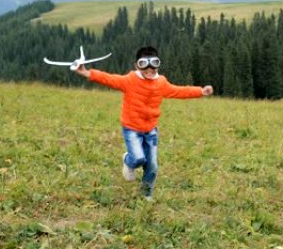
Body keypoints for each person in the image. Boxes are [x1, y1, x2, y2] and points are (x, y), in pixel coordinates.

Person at [75, 46, 213, 201]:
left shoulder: (161, 83)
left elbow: (179, 91)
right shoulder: (130, 81)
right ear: (137, 66)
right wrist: (87, 72)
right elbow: (109, 79)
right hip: (132, 128)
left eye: (154, 63)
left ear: (158, 65)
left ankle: (146, 194)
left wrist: (200, 91)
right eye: (144, 64)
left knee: (152, 165)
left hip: (151, 130)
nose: (149, 68)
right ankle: (128, 160)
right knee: (138, 159)